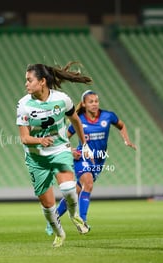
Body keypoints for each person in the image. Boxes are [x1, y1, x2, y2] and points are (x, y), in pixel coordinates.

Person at [16, 62, 94, 247]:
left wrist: (84, 145)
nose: (26, 84)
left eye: (29, 80)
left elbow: (75, 120)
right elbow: (25, 138)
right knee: (48, 206)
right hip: (36, 157)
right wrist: (40, 141)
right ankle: (59, 233)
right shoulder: (23, 104)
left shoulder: (62, 99)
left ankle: (75, 215)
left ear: (42, 81)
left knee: (68, 189)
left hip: (59, 150)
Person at [45, 90, 136, 235]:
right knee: (88, 183)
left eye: (96, 101)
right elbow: (64, 138)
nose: (94, 104)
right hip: (82, 157)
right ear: (84, 104)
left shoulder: (108, 116)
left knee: (75, 193)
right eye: (91, 101)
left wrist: (127, 140)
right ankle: (82, 221)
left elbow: (121, 125)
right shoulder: (79, 120)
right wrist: (70, 151)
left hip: (99, 159)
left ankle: (53, 220)